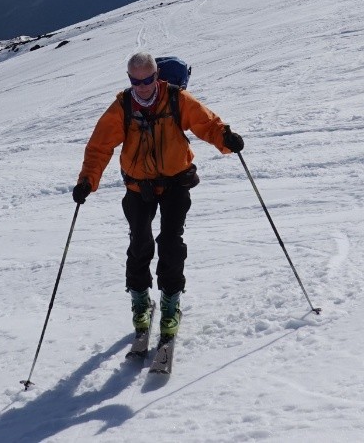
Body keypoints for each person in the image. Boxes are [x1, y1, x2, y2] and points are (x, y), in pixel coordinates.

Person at [72, 52, 244, 340]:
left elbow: (206, 122)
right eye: (135, 80)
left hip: (176, 183)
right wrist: (87, 181)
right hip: (138, 188)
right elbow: (99, 147)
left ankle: (170, 304)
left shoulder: (176, 98)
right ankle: (140, 303)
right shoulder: (122, 107)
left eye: (148, 79)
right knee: (139, 244)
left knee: (170, 243)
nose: (142, 86)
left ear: (157, 76)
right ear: (130, 79)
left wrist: (225, 138)